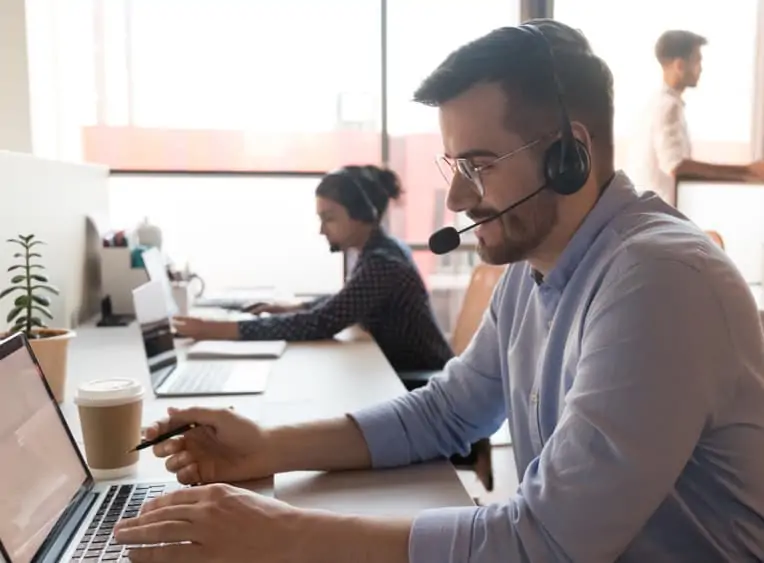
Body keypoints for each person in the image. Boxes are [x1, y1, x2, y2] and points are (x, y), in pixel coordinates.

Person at [114, 20, 764, 562]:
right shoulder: (533, 270)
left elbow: (548, 542)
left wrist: (279, 532)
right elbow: (448, 411)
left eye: (479, 166)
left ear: (570, 155)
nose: (455, 198)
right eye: (455, 167)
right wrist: (271, 444)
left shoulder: (658, 280)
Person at [172, 164, 453, 374]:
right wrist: (297, 305)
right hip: (401, 373)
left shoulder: (382, 263)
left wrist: (219, 330)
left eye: (329, 218)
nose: (321, 230)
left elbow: (322, 323)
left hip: (422, 382)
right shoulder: (378, 250)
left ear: (361, 215)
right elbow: (348, 300)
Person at [629, 29, 764, 205]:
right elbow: (676, 166)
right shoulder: (668, 106)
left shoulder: (658, 104)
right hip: (658, 218)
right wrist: (747, 171)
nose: (701, 68)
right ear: (679, 65)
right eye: (697, 61)